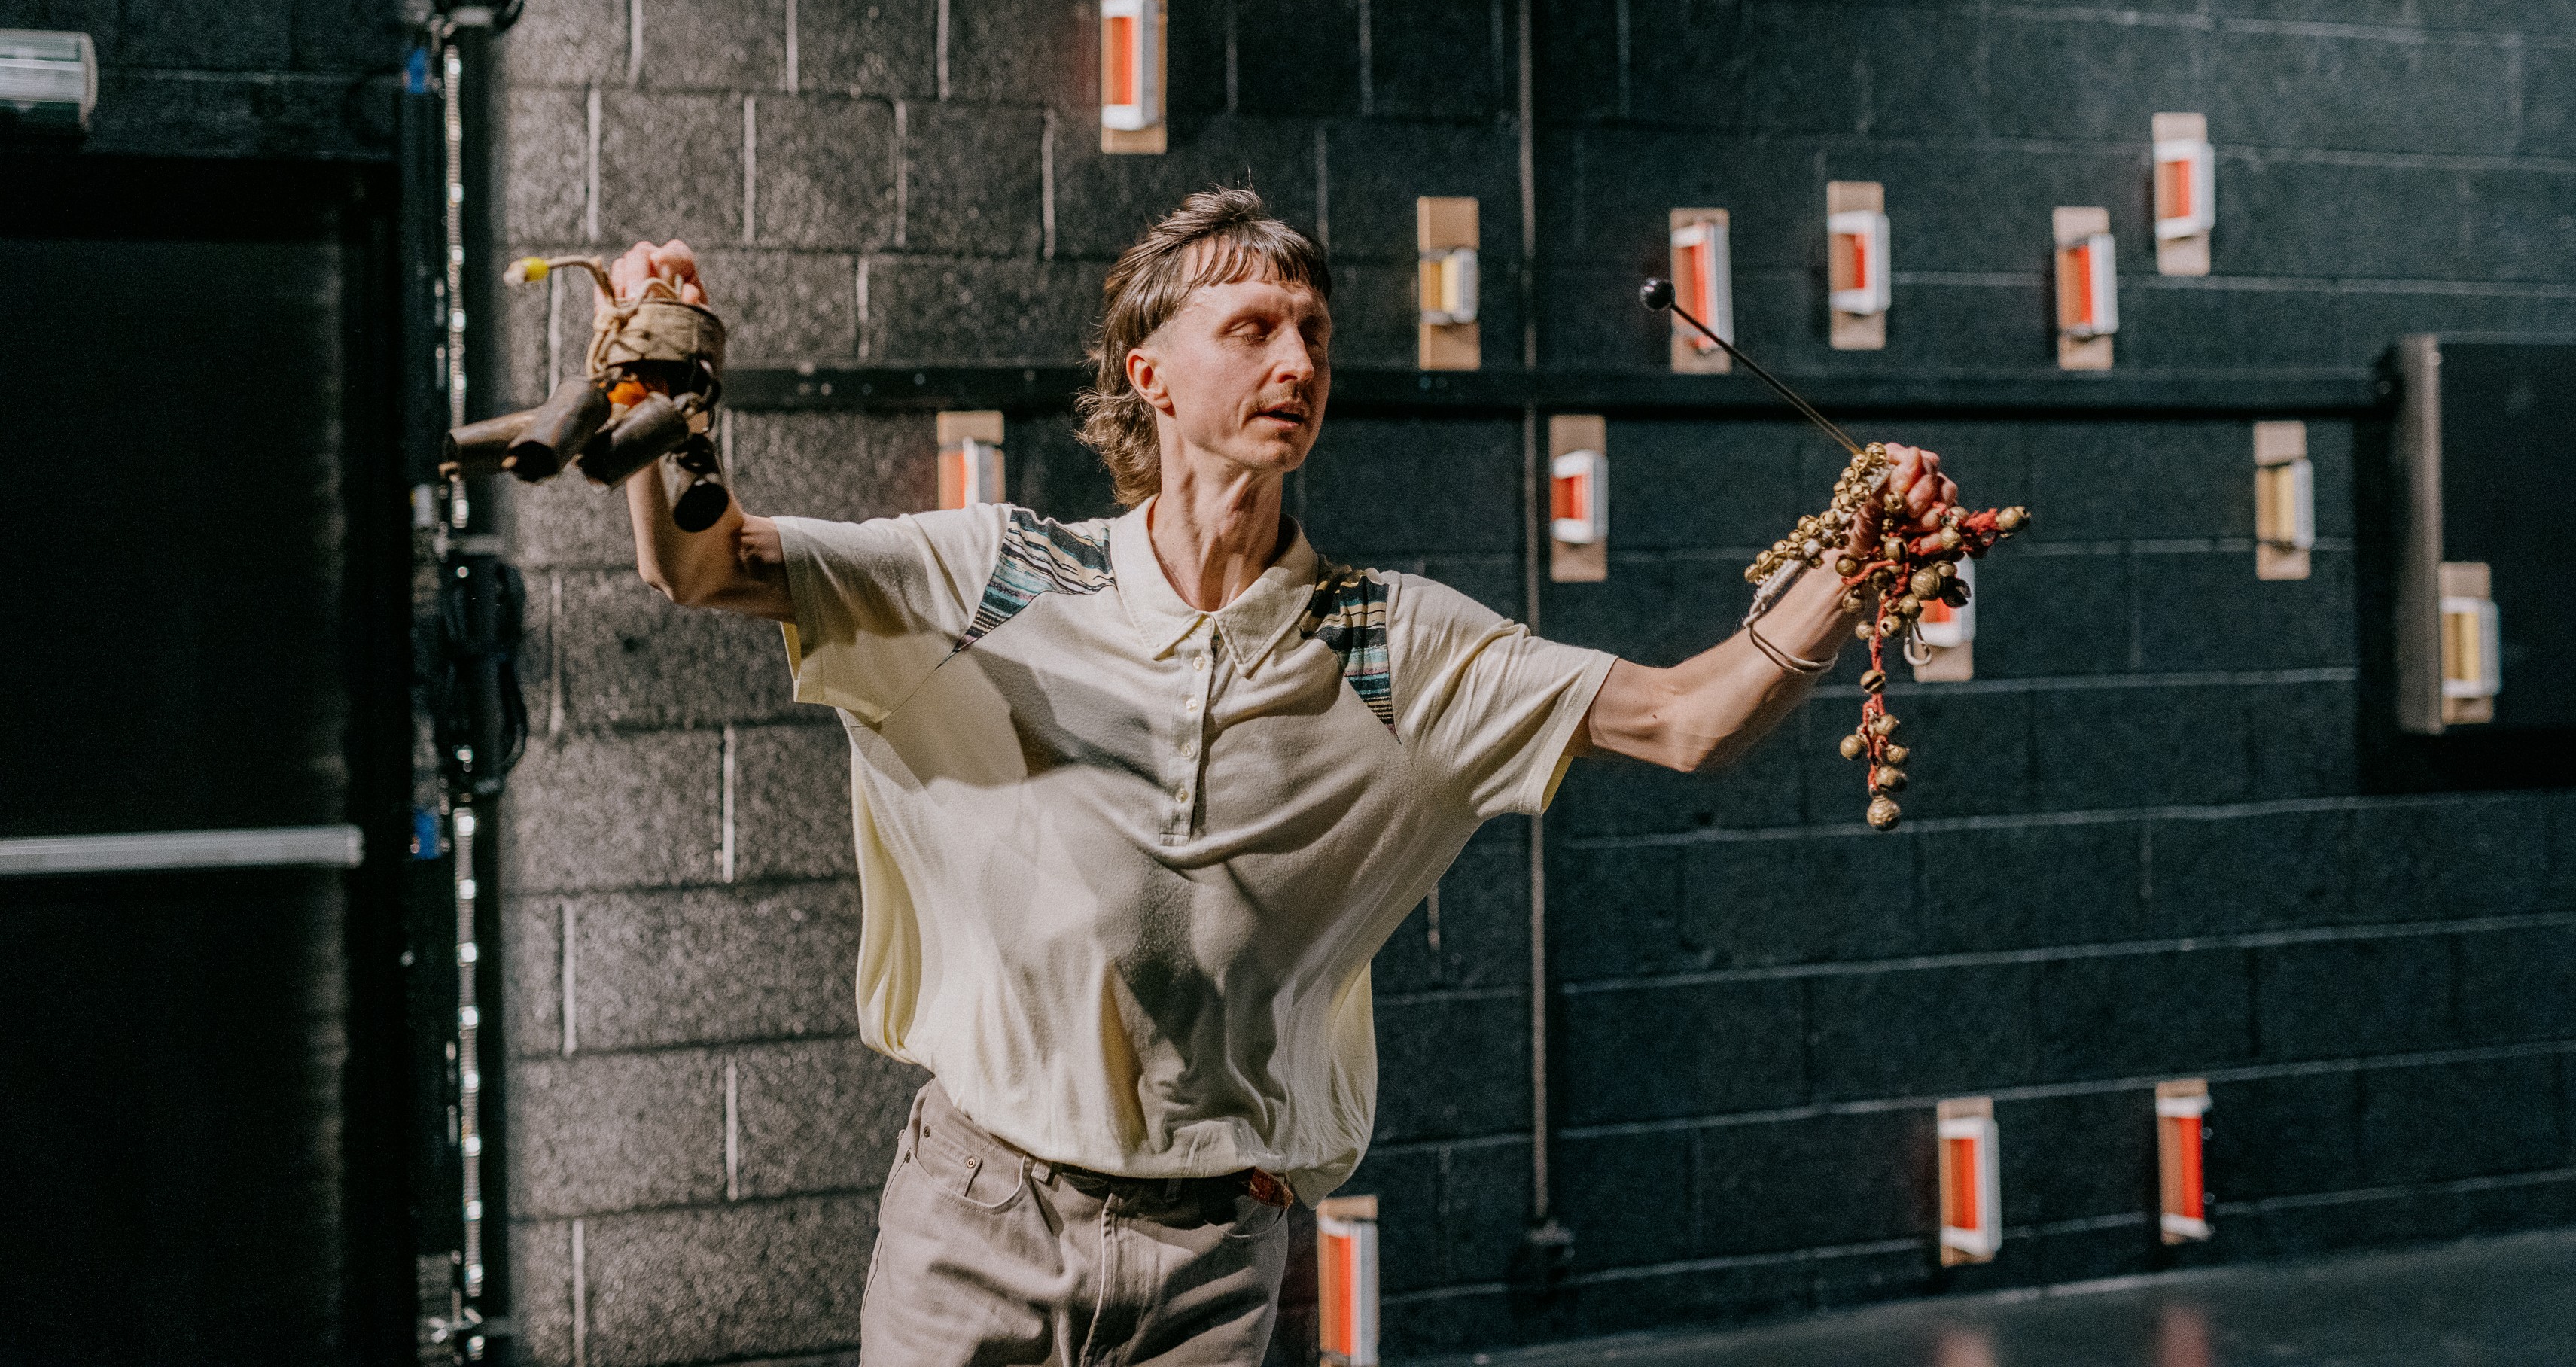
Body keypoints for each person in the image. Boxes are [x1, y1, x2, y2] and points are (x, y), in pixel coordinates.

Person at [612, 188, 1956, 1365]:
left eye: (1312, 330)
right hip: (978, 1215)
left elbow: (1685, 718)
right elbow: (703, 563)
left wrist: (1853, 571)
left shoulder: (1395, 643)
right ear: (1149, 371)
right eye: (1252, 327)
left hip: (1213, 1250)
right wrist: (656, 389)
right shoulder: (997, 570)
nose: (1297, 359)